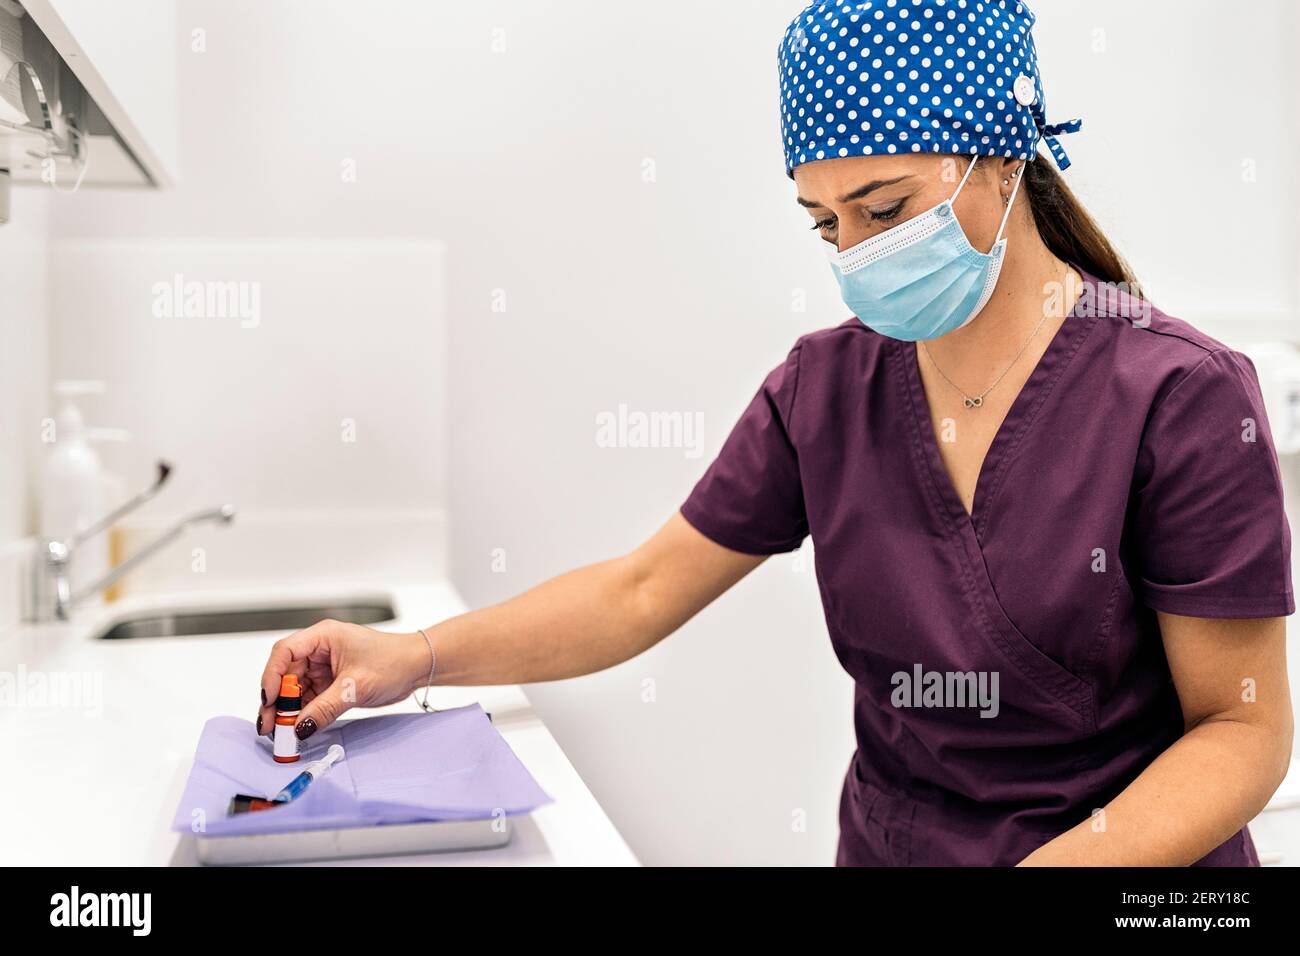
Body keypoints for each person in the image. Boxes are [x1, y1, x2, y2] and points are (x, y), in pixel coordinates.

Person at [256, 0, 1293, 865]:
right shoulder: (825, 389)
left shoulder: (1179, 396)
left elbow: (1243, 727)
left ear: (1005, 155)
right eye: (824, 222)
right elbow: (639, 590)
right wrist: (414, 654)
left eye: (884, 208)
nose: (853, 253)